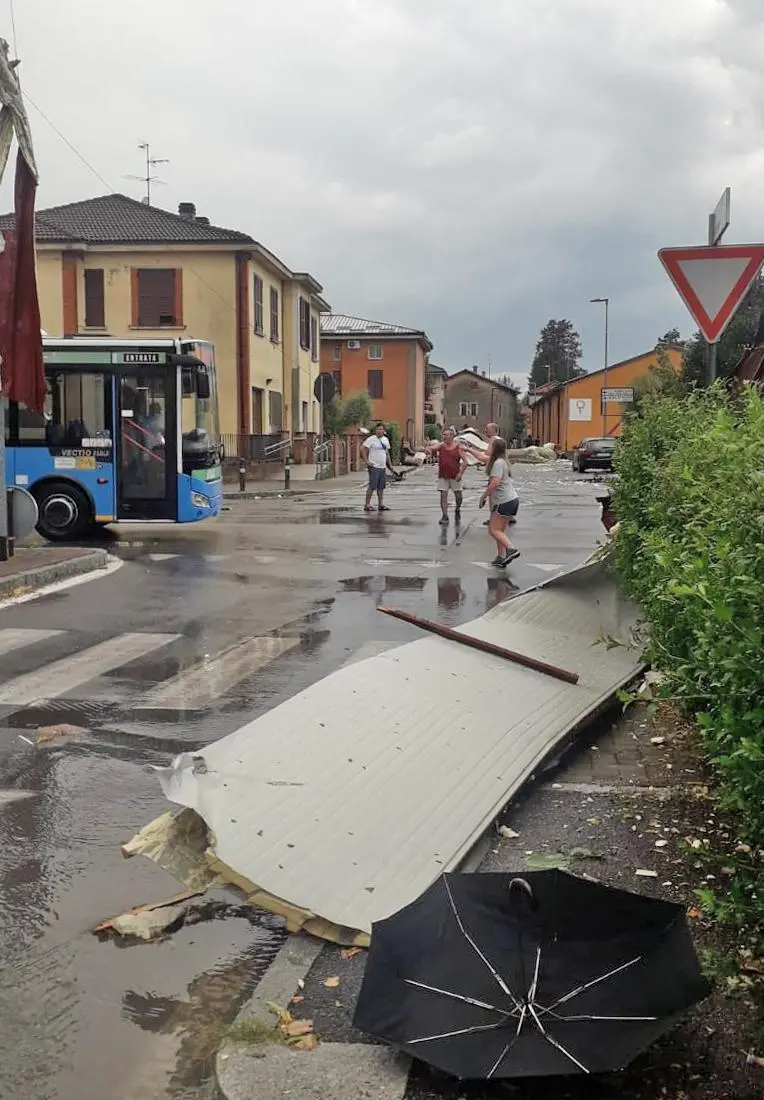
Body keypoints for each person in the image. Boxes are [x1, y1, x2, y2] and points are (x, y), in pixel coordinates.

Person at [479, 437, 520, 568]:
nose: (488, 448)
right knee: (500, 530)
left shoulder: (497, 463)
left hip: (504, 501)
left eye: (490, 446)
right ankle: (501, 557)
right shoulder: (503, 462)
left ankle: (511, 549)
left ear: (495, 449)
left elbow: (495, 483)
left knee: (493, 530)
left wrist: (483, 496)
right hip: (512, 499)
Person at [426, 427, 467, 525]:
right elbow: (431, 448)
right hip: (443, 475)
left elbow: (465, 462)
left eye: (446, 435)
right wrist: (429, 451)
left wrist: (460, 473)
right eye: (443, 435)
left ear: (452, 436)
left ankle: (458, 507)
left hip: (455, 476)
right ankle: (445, 516)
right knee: (443, 495)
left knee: (458, 496)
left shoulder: (458, 447)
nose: (444, 437)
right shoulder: (441, 445)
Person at [363, 423, 394, 512]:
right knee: (372, 486)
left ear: (384, 431)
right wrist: (367, 461)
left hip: (382, 467)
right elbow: (363, 449)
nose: (379, 431)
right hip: (374, 466)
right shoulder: (371, 439)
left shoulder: (385, 440)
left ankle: (381, 504)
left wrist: (390, 465)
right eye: (377, 429)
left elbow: (387, 453)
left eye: (381, 429)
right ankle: (367, 504)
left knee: (381, 487)